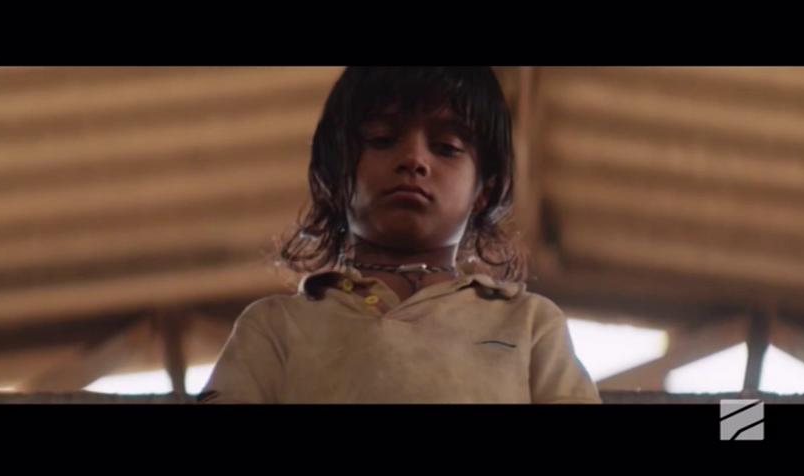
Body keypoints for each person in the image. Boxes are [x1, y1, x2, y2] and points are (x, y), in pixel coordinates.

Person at [198, 67, 600, 404]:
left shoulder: (529, 325)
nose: (414, 159)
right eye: (382, 139)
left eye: (446, 147)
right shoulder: (276, 327)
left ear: (483, 191)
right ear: (334, 177)